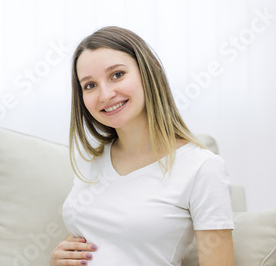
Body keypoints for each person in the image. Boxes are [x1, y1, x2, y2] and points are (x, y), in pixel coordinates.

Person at [50, 26, 234, 265]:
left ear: (150, 71)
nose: (105, 94)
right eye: (90, 85)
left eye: (117, 75)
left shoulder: (203, 168)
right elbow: (96, 239)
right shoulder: (92, 162)